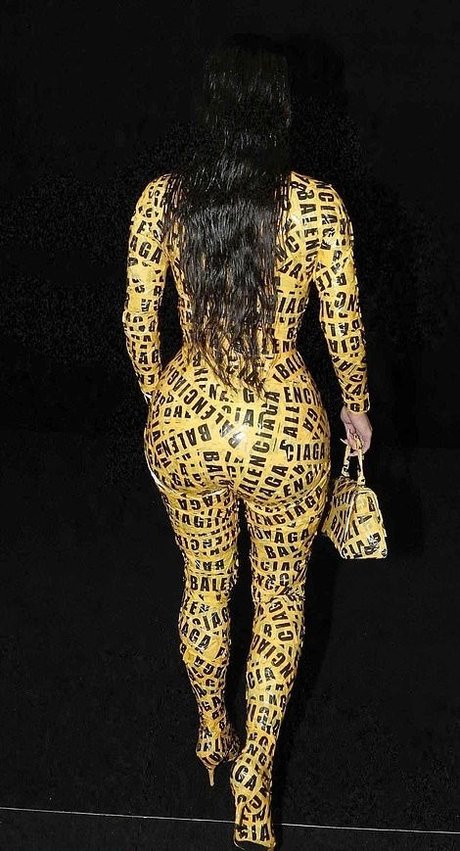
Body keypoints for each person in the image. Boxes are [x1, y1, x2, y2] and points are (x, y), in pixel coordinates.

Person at [122, 32, 372, 851]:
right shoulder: (317, 207)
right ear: (277, 117)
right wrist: (357, 411)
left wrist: (165, 400)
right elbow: (344, 332)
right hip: (284, 426)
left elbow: (137, 325)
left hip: (190, 417)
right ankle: (254, 782)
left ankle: (211, 725)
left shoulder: (162, 202)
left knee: (204, 583)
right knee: (281, 603)